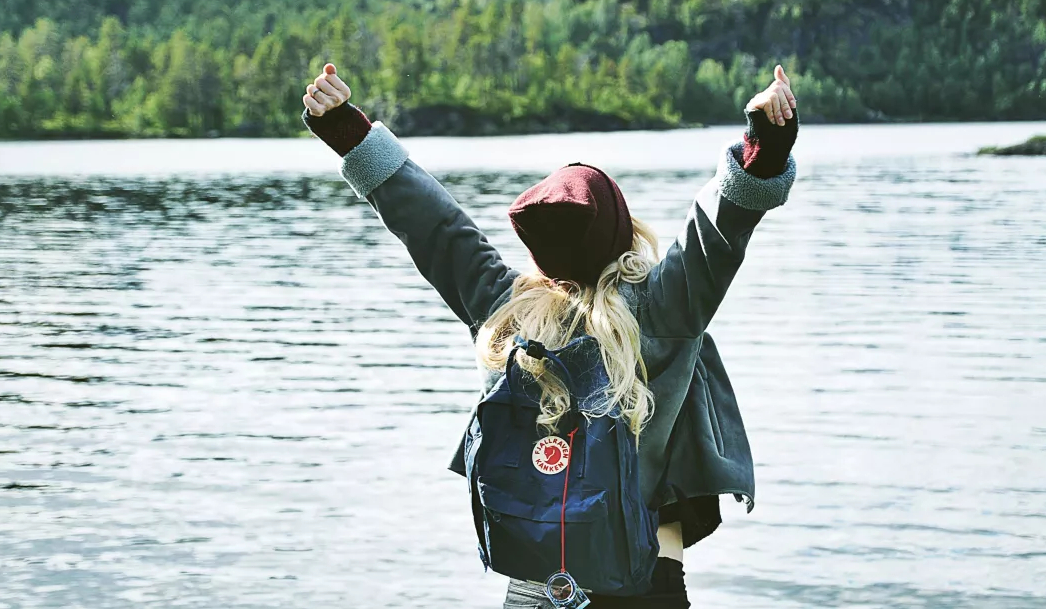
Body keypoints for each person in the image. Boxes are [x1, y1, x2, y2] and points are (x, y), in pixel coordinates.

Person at [301, 63, 799, 608]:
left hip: (539, 580)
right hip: (644, 578)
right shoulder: (661, 308)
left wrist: (346, 131)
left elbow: (433, 225)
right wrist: (764, 142)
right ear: (620, 228)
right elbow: (721, 226)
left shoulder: (506, 311)